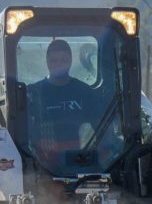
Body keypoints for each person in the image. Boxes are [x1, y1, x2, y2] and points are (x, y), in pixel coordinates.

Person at [26, 39, 98, 169]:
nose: (59, 64)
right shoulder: (34, 93)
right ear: (47, 61)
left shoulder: (84, 92)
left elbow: (101, 129)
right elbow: (24, 133)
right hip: (42, 166)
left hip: (78, 163)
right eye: (54, 60)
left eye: (64, 60)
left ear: (70, 61)